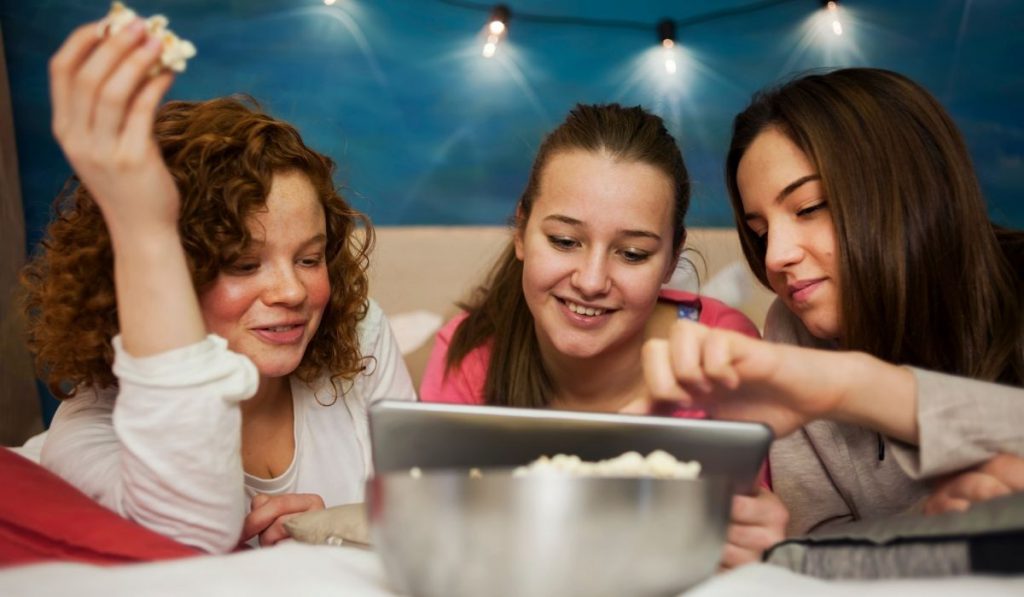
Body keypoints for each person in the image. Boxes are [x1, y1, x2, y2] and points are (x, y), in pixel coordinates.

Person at [22, 19, 415, 553]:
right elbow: (190, 538)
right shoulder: (89, 436)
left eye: (309, 258)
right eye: (244, 264)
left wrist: (343, 528)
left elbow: (417, 512)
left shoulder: (363, 334)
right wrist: (144, 225)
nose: (292, 292)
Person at [643, 67, 1024, 537]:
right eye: (760, 233)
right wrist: (926, 525)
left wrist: (850, 386)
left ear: (905, 188)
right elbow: (816, 537)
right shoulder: (792, 326)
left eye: (808, 208)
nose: (776, 257)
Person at [419, 103, 788, 569]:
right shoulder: (469, 353)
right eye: (565, 242)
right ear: (521, 231)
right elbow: (437, 535)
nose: (592, 281)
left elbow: (740, 541)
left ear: (672, 260)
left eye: (632, 254)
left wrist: (759, 540)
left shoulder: (722, 350)